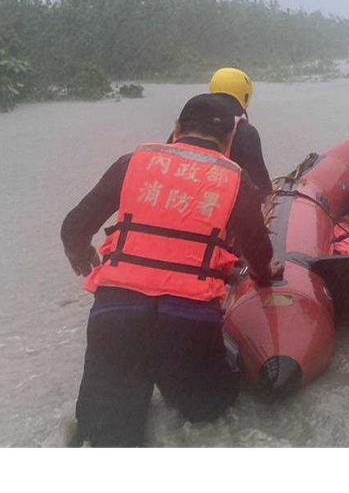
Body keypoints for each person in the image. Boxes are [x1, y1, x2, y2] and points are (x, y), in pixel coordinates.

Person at [61, 93, 282, 446]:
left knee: (103, 434)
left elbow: (73, 227)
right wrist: (264, 278)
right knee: (209, 412)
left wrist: (81, 256)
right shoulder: (237, 180)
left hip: (116, 312)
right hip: (188, 320)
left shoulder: (131, 163)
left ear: (177, 129)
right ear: (228, 141)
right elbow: (258, 251)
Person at [207, 67, 272, 201]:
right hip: (222, 206)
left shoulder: (187, 127)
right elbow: (261, 185)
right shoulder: (246, 132)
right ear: (245, 96)